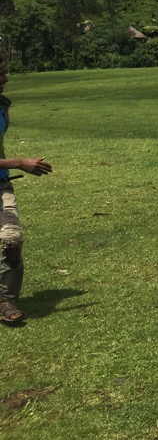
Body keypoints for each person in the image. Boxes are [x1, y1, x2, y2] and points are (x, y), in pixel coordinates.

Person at [0, 59, 53, 325]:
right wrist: (20, 163)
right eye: (1, 74)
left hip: (1, 184)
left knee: (11, 239)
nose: (6, 79)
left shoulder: (1, 106)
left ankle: (6, 299)